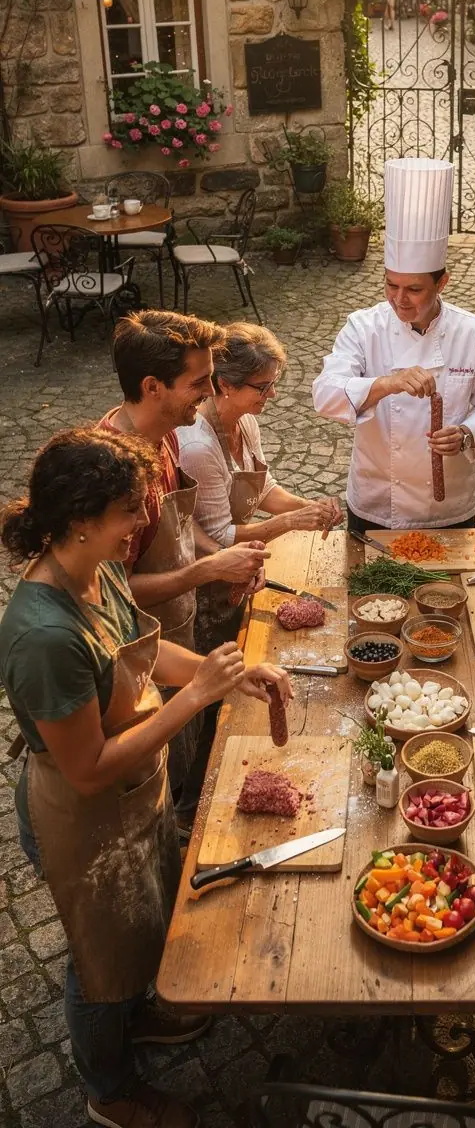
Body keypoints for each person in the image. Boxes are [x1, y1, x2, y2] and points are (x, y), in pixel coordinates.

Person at [0, 428, 291, 1128]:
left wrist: (234, 674)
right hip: (83, 814)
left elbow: (147, 657)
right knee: (99, 961)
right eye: (131, 512)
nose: (142, 525)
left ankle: (147, 1008)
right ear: (80, 519)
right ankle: (108, 1090)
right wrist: (198, 699)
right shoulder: (44, 636)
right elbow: (88, 767)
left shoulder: (95, 568)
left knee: (148, 913)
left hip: (137, 791)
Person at [99, 309, 267, 803]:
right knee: (155, 783)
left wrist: (223, 556)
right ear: (153, 386)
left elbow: (180, 521)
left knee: (187, 764)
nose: (212, 391)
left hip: (173, 634)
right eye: (199, 382)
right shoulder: (114, 474)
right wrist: (207, 568)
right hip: (135, 664)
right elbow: (111, 594)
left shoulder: (168, 434)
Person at [312, 158, 475, 532]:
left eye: (414, 289)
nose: (400, 299)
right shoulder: (363, 327)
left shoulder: (473, 333)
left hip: (447, 505)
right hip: (376, 500)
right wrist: (386, 383)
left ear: (442, 283)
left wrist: (468, 432)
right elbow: (324, 394)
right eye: (391, 285)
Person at [177, 320, 343, 650]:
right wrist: (289, 523)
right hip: (206, 583)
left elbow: (262, 488)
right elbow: (218, 536)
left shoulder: (245, 419)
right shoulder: (199, 446)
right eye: (263, 387)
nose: (273, 394)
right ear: (226, 384)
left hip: (238, 571)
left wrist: (310, 508)